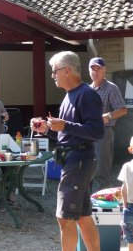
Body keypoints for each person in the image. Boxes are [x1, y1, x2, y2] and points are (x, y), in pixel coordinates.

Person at [31, 51, 104, 251]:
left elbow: (97, 132)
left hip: (79, 161)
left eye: (54, 71)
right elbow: (68, 134)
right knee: (82, 216)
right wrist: (47, 129)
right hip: (76, 159)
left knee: (64, 217)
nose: (52, 75)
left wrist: (66, 126)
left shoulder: (87, 94)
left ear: (67, 70)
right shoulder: (70, 95)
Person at [88, 57, 127, 190]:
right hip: (88, 133)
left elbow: (123, 109)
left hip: (103, 134)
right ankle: (89, 203)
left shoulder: (111, 88)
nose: (96, 72)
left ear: (104, 70)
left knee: (102, 172)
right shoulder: (88, 89)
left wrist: (108, 116)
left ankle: (105, 203)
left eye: (99, 69)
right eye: (93, 69)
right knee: (88, 169)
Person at [118, 145, 133, 251]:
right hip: (129, 206)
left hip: (129, 207)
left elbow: (123, 188)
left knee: (130, 238)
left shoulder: (127, 166)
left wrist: (125, 206)